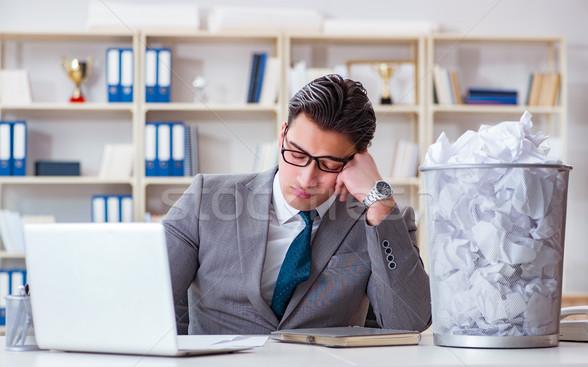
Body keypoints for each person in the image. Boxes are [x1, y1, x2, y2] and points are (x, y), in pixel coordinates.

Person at [163, 74, 431, 335]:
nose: (306, 178)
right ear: (282, 136)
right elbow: (147, 300)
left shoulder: (379, 221)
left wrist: (379, 200)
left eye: (328, 164)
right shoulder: (205, 199)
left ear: (356, 161)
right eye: (297, 154)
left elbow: (409, 323)